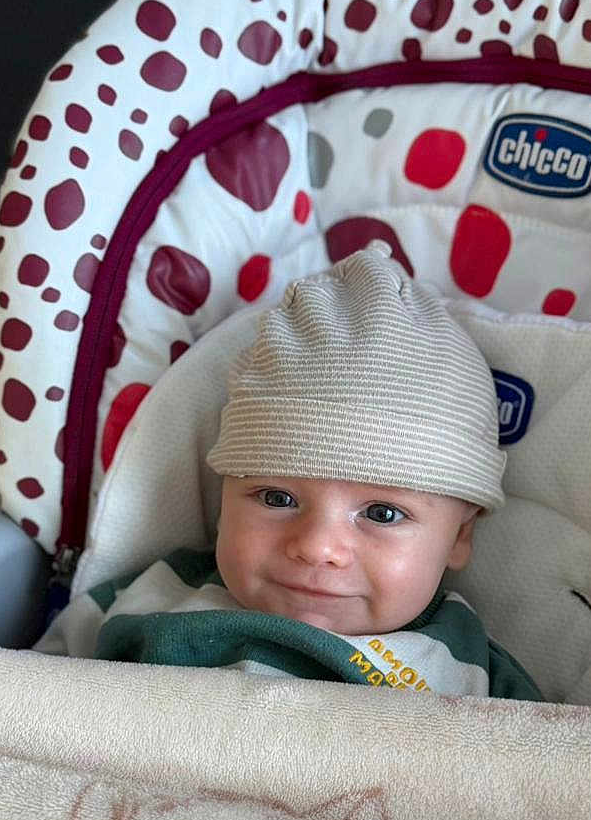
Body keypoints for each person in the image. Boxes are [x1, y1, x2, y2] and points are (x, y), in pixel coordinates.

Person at [39, 242, 543, 701]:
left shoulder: (460, 661)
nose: (317, 547)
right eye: (277, 498)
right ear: (223, 496)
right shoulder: (156, 594)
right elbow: (27, 691)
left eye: (384, 512)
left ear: (460, 534)